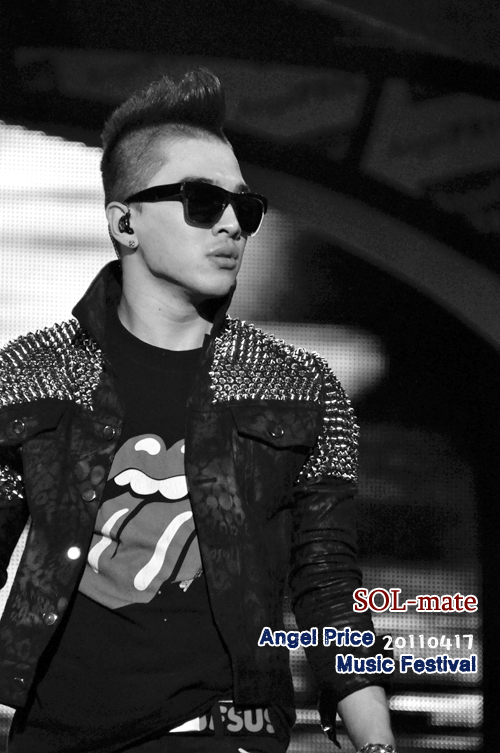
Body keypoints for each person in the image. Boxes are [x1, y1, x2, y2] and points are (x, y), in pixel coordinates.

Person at [0, 69, 396, 753]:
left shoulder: (297, 387)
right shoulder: (32, 374)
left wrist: (378, 740)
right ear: (125, 221)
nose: (231, 225)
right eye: (202, 201)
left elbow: (328, 585)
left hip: (221, 729)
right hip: (51, 732)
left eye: (246, 208)